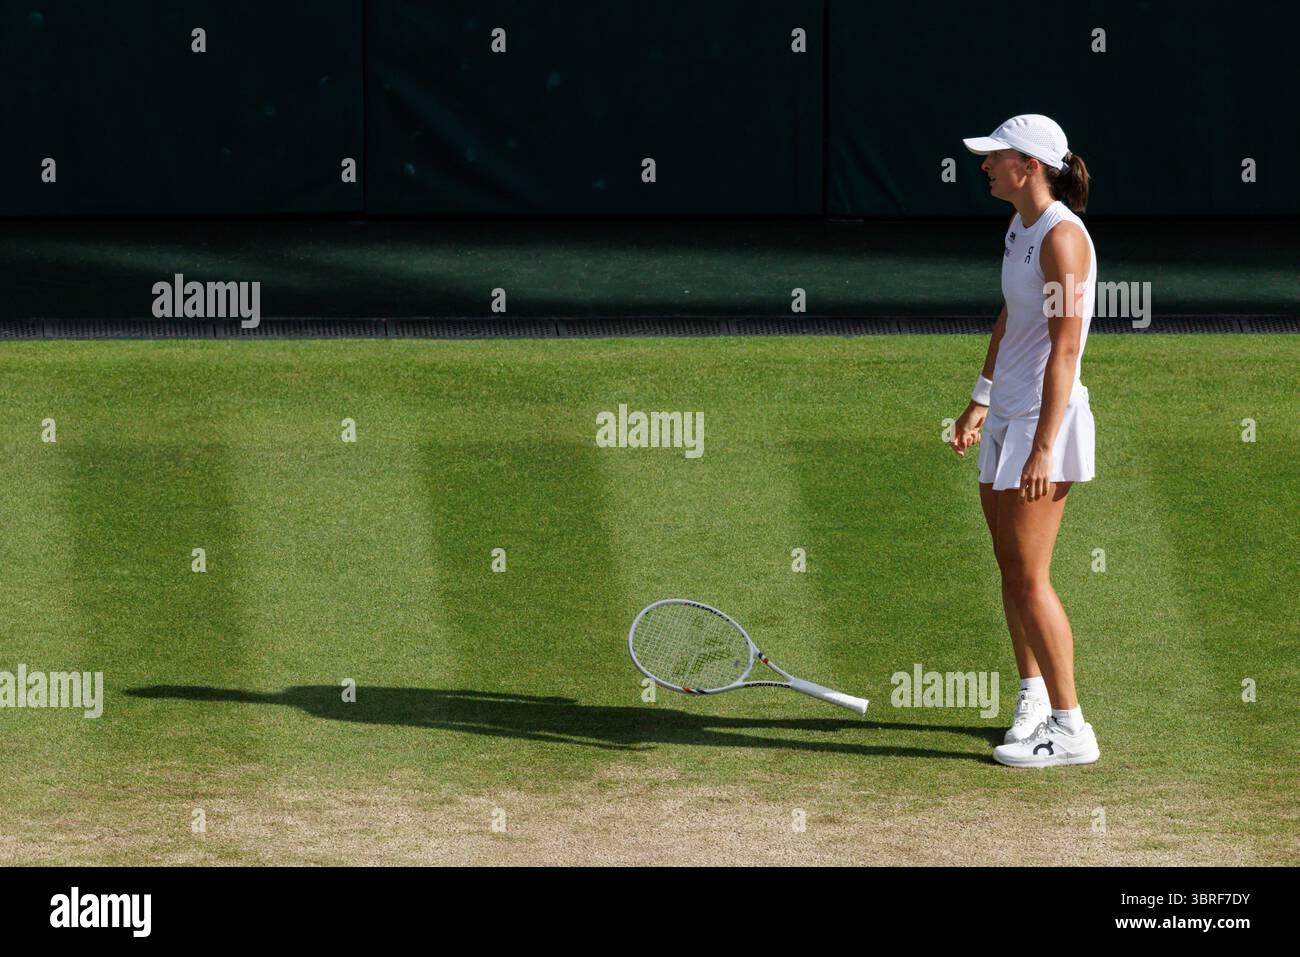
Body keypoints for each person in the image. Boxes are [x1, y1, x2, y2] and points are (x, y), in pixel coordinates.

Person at [951, 114, 1100, 767]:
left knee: (1032, 577)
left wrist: (1045, 444)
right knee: (1010, 569)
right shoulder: (1020, 225)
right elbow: (1013, 314)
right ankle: (1033, 696)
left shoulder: (1064, 241)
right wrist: (981, 399)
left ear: (1030, 166)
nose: (984, 166)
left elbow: (1065, 349)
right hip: (1009, 416)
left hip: (1044, 421)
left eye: (996, 157)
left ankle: (1071, 728)